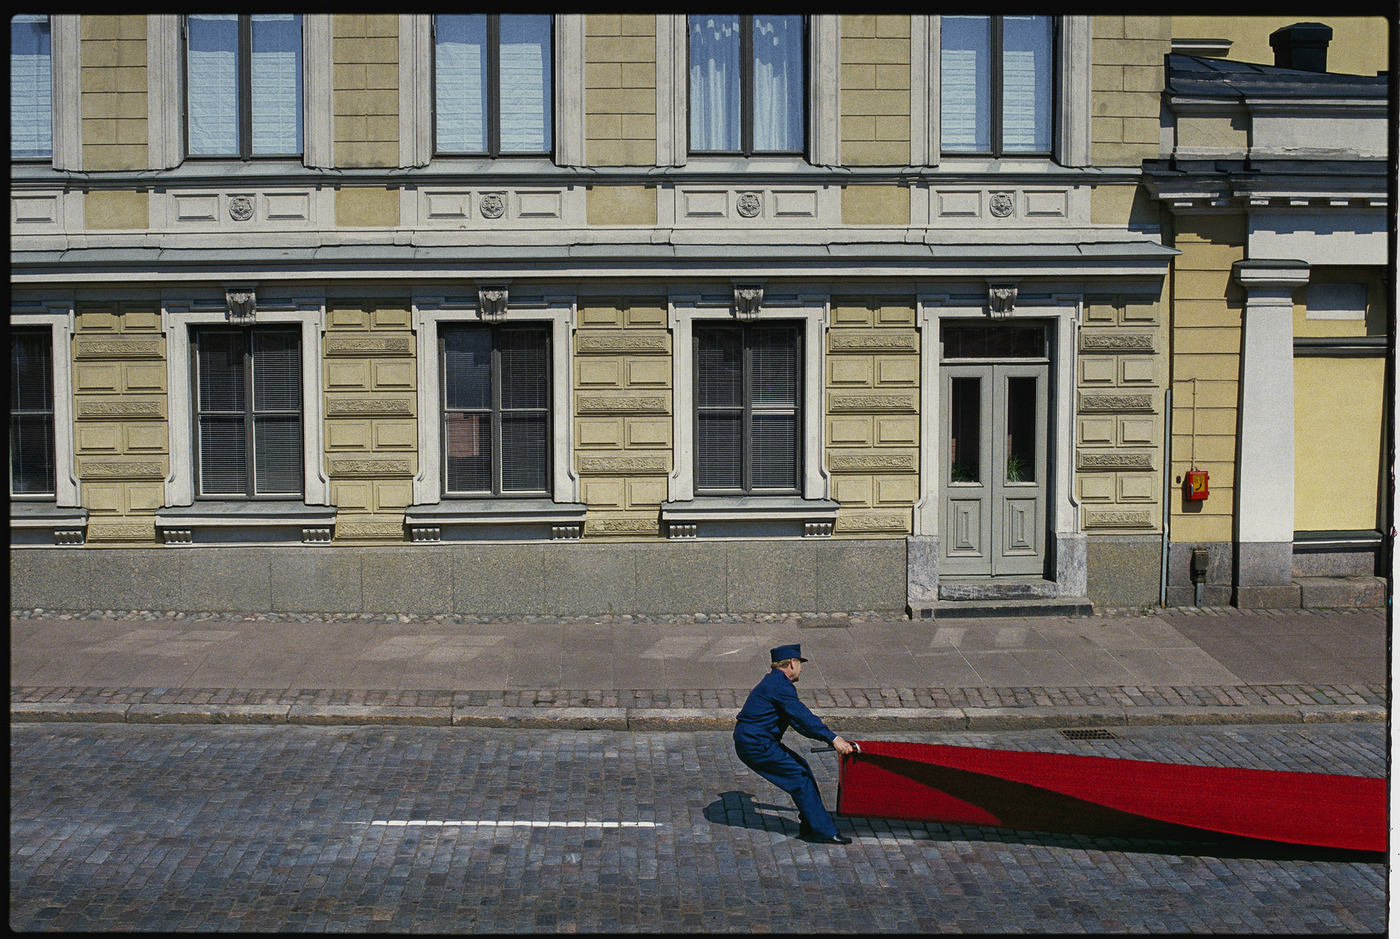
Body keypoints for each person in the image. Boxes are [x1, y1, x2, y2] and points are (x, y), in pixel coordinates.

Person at [733, 643, 856, 845]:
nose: (801, 668)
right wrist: (834, 739)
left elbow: (798, 722)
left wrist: (827, 737)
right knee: (799, 777)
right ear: (792, 662)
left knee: (801, 769)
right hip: (755, 744)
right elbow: (802, 716)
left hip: (756, 741)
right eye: (800, 663)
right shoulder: (779, 686)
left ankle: (811, 825)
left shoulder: (774, 682)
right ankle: (822, 831)